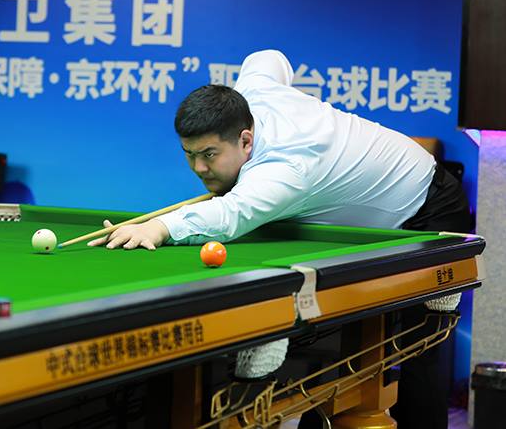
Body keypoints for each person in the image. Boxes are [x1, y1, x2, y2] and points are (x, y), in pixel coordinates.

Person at [88, 50, 470, 428]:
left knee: (422, 347)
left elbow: (230, 214)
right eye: (189, 154)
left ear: (246, 139)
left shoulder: (285, 169)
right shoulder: (253, 93)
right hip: (369, 218)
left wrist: (158, 227)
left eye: (209, 154)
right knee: (344, 343)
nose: (199, 168)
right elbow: (267, 57)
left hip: (428, 206)